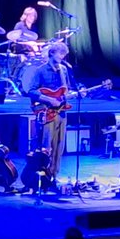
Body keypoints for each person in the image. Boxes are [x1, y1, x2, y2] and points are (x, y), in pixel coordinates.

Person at [24, 40, 80, 181]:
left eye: (64, 54)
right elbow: (31, 91)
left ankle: (54, 176)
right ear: (52, 53)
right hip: (47, 113)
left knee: (59, 146)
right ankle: (42, 176)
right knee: (46, 145)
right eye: (60, 53)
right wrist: (49, 100)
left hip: (62, 112)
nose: (62, 57)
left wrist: (76, 94)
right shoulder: (40, 70)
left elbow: (65, 90)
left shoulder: (64, 70)